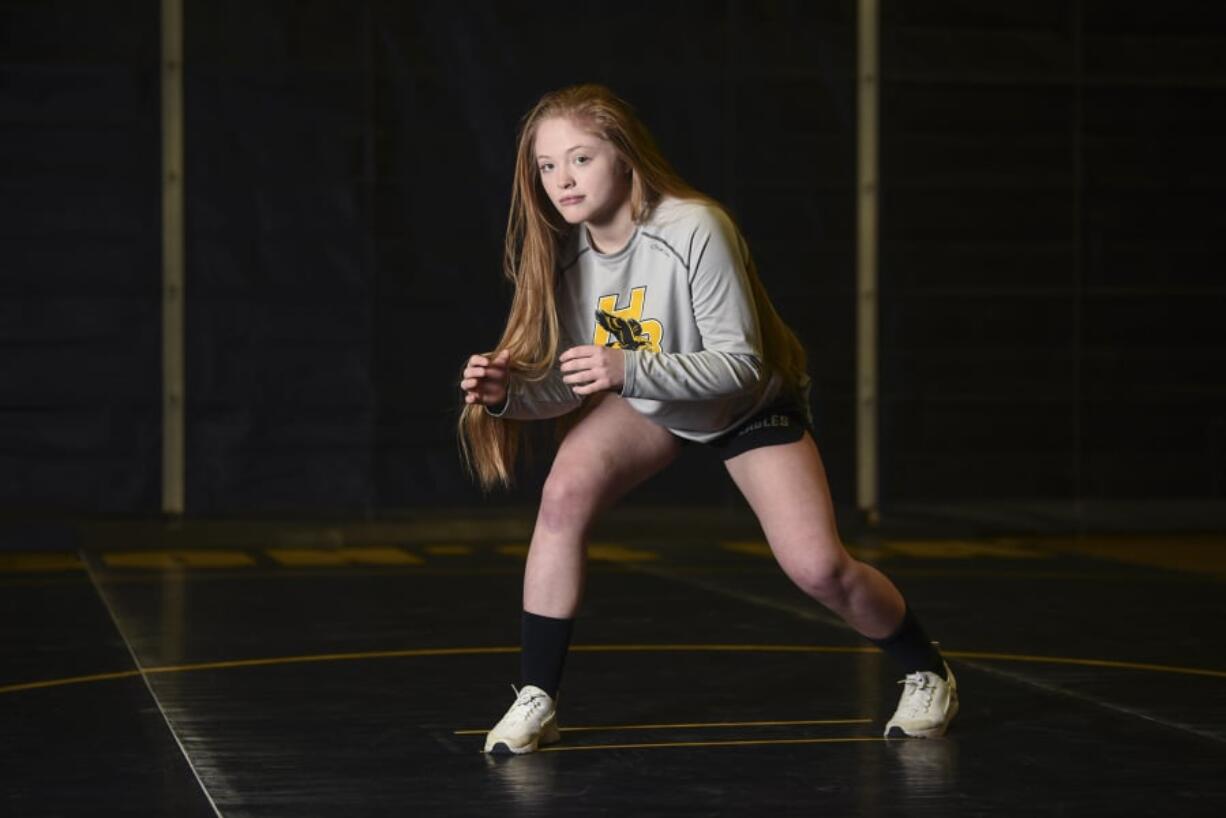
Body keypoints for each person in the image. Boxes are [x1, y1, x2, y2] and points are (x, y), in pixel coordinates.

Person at [458, 83, 957, 754]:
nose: (562, 180)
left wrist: (626, 370)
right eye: (547, 166)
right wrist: (504, 395)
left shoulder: (695, 226)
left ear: (625, 156)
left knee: (817, 568)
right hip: (654, 399)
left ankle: (926, 669)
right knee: (563, 495)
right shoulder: (567, 254)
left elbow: (741, 365)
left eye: (580, 158)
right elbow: (571, 387)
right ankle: (536, 698)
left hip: (746, 406)